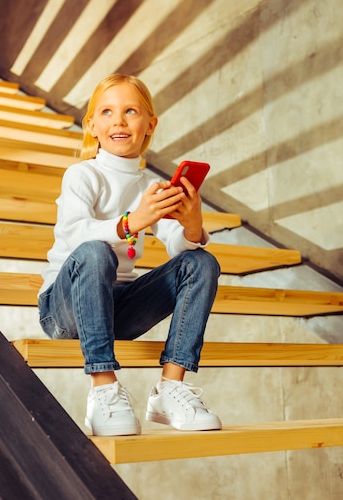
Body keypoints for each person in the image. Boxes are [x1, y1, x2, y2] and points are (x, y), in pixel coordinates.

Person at [38, 73, 222, 437]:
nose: (118, 121)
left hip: (119, 310)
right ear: (92, 125)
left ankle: (170, 389)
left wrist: (192, 223)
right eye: (106, 112)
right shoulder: (82, 175)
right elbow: (75, 234)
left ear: (150, 124)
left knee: (202, 261)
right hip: (65, 309)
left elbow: (178, 246)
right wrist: (131, 222)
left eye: (130, 111)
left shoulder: (149, 186)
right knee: (95, 252)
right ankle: (104, 389)